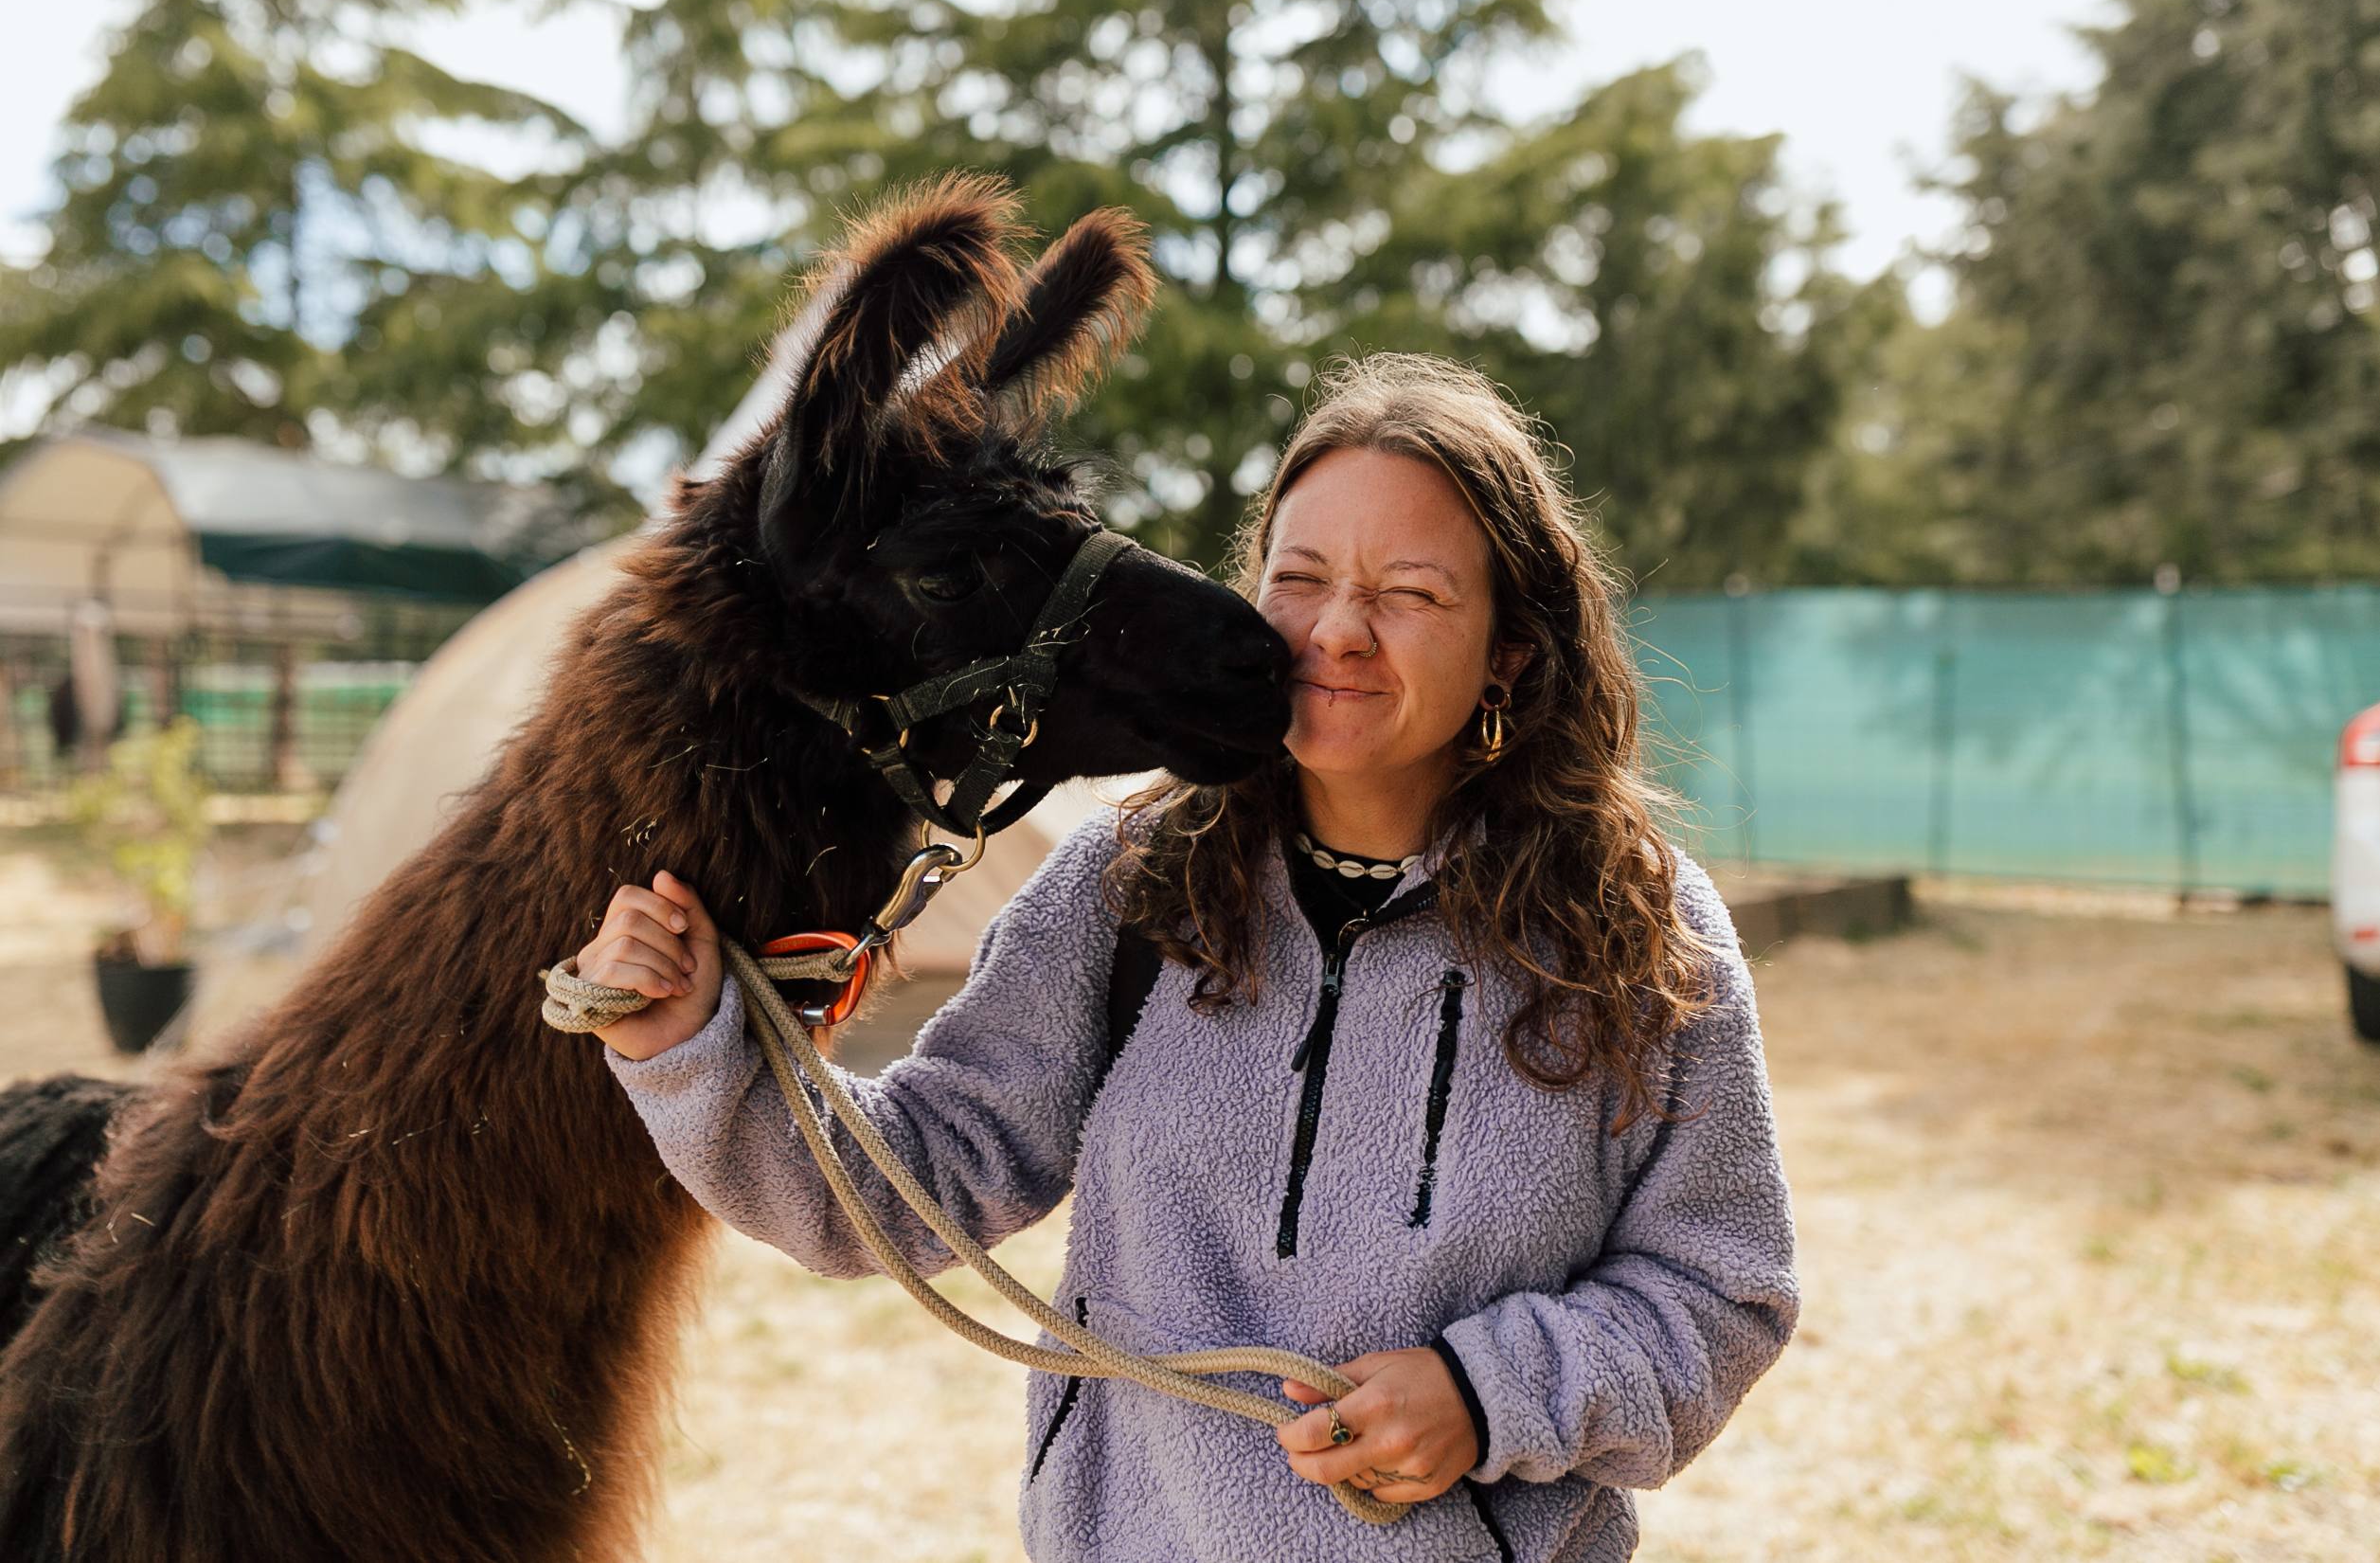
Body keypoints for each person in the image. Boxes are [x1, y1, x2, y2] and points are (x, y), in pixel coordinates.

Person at [580, 353, 1798, 1562]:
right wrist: (692, 1049)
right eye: (1301, 575)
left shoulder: (1640, 935)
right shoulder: (1128, 888)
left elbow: (1716, 1292)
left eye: (1412, 593)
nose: (1337, 631)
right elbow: (903, 1194)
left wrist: (1486, 1398)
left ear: (1510, 654)